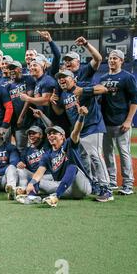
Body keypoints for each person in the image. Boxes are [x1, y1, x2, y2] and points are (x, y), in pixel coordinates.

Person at [51, 70, 112, 202]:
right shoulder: (64, 94)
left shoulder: (82, 85)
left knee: (95, 156)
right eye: (59, 78)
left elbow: (103, 89)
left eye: (64, 77)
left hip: (93, 126)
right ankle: (95, 185)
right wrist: (52, 102)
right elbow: (60, 111)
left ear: (73, 79)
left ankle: (107, 188)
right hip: (80, 130)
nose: (61, 79)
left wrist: (84, 91)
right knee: (84, 159)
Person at [16, 106, 93, 207]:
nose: (51, 135)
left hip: (81, 186)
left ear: (62, 136)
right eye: (49, 134)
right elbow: (39, 172)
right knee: (38, 181)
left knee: (72, 167)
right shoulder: (47, 155)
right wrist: (31, 183)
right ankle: (32, 197)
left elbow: (76, 131)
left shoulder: (69, 144)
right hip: (65, 188)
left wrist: (81, 116)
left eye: (54, 133)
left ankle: (56, 196)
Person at [99, 49, 137, 195]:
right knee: (108, 153)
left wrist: (129, 120)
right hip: (105, 122)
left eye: (115, 58)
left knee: (124, 153)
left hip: (121, 122)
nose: (112, 60)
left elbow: (135, 100)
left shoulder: (127, 77)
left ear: (121, 61)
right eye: (110, 58)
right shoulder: (102, 78)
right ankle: (112, 181)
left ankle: (128, 184)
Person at [5, 61, 36, 152]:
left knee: (33, 147)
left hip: (30, 120)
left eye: (14, 68)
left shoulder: (28, 79)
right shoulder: (9, 85)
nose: (11, 71)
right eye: (10, 69)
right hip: (17, 124)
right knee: (20, 148)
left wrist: (21, 116)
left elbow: (29, 98)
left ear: (20, 69)